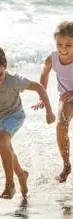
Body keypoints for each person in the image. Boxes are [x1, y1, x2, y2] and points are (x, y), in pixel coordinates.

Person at [0, 45, 55, 200]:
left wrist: (49, 111)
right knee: (6, 150)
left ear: (5, 66)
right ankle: (22, 175)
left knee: (0, 142)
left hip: (14, 115)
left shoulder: (14, 81)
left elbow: (39, 87)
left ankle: (9, 185)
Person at [32, 21, 73, 183]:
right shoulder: (52, 59)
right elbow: (44, 75)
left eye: (69, 45)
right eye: (59, 44)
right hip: (67, 99)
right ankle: (66, 165)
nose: (63, 49)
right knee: (60, 125)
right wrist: (42, 97)